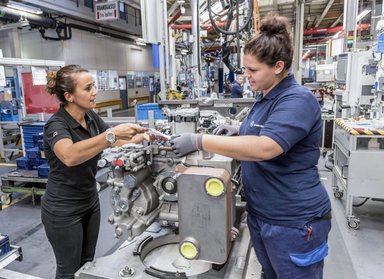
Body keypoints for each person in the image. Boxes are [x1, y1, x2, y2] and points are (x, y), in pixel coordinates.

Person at [170, 13, 331, 279]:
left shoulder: (297, 99)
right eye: (245, 68)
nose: (246, 76)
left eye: (253, 70)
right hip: (262, 214)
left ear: (278, 66)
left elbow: (266, 147)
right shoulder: (265, 98)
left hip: (293, 222)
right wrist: (238, 131)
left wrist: (198, 140)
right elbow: (261, 131)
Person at [42, 65, 148, 279]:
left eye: (94, 86)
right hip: (63, 209)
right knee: (68, 271)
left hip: (90, 201)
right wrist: (110, 135)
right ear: (69, 96)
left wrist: (142, 137)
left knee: (87, 265)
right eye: (88, 88)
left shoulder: (90, 117)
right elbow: (69, 156)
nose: (94, 92)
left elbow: (112, 141)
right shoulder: (57, 124)